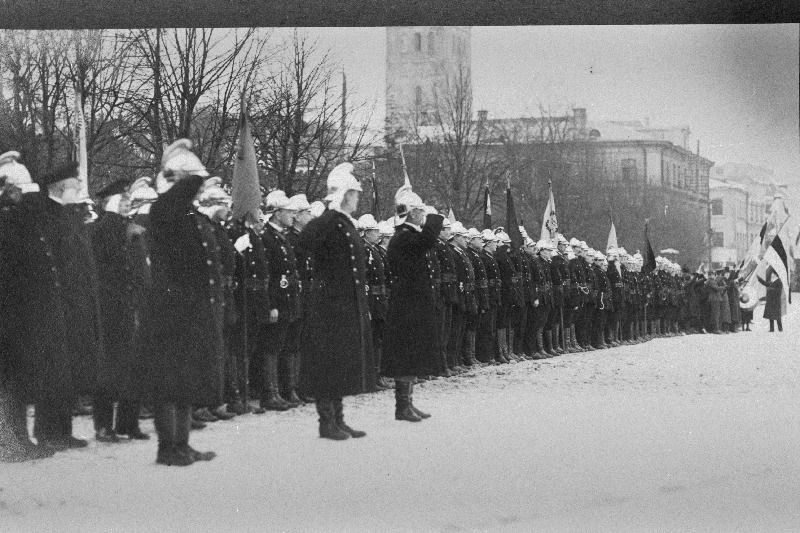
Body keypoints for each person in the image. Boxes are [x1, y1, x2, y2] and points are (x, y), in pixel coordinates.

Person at [136, 139, 222, 466]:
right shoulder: (163, 209)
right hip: (168, 310)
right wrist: (189, 176)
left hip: (190, 309)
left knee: (186, 380)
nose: (199, 188)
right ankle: (167, 449)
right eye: (193, 181)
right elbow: (175, 200)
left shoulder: (190, 214)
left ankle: (183, 444)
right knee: (168, 382)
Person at [32, 161, 104, 451]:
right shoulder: (45, 216)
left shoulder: (69, 216)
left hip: (76, 303)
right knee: (53, 370)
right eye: (75, 186)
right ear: (60, 188)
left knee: (69, 369)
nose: (79, 190)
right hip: (56, 303)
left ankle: (63, 430)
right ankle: (48, 431)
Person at [299, 163, 373, 440]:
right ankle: (326, 422)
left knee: (340, 362)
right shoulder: (330, 221)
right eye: (353, 194)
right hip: (329, 304)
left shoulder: (344, 223)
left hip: (345, 303)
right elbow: (305, 242)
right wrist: (329, 211)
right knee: (327, 363)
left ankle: (339, 419)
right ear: (342, 194)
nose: (357, 199)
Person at [0, 152, 58, 461]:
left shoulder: (18, 221)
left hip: (20, 313)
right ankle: (11, 443)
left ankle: (19, 439)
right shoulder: (8, 222)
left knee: (18, 381)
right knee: (10, 382)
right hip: (10, 314)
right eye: (20, 192)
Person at [90, 178, 150, 442]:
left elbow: (139, 269)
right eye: (123, 198)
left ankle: (128, 422)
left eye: (129, 198)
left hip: (134, 304)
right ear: (112, 201)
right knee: (108, 368)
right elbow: (106, 263)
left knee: (135, 366)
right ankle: (103, 425)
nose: (128, 202)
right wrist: (115, 220)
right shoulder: (101, 229)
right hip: (111, 308)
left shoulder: (131, 229)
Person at [382, 183, 444, 422]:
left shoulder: (409, 236)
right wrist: (436, 215)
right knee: (406, 355)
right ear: (411, 213)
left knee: (413, 354)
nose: (423, 216)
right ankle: (402, 406)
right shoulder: (403, 237)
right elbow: (428, 239)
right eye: (419, 212)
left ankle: (408, 402)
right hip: (406, 303)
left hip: (413, 301)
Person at [258, 190, 301, 410]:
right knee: (272, 347)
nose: (291, 215)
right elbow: (269, 275)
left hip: (287, 298)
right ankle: (270, 392)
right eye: (287, 211)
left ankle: (287, 389)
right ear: (276, 213)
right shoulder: (267, 237)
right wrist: (272, 305)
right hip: (277, 299)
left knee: (285, 345)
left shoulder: (280, 237)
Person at [357, 213, 391, 390]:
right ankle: (372, 376)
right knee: (373, 338)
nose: (377, 233)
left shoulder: (374, 249)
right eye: (374, 230)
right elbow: (364, 279)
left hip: (379, 298)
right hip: (371, 298)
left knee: (378, 337)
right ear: (365, 232)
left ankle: (378, 375)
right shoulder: (364, 250)